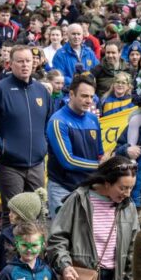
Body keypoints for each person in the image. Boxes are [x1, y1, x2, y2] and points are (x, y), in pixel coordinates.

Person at [0, 45, 53, 212]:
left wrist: (44, 144)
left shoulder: (41, 90)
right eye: (20, 61)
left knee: (37, 214)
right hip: (10, 165)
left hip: (37, 163)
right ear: (10, 64)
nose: (25, 65)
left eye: (28, 61)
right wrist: (0, 145)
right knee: (14, 215)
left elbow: (50, 121)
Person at [45, 73, 103, 216]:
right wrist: (99, 165)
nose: (89, 101)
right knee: (63, 231)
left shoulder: (93, 119)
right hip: (63, 188)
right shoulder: (58, 121)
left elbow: (99, 153)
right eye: (84, 96)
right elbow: (68, 161)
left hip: (88, 188)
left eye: (91, 97)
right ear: (71, 94)